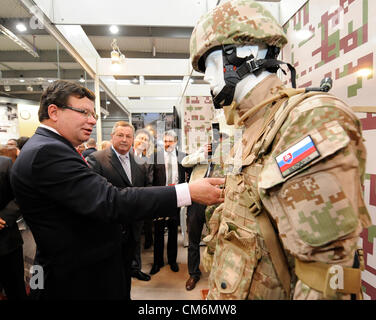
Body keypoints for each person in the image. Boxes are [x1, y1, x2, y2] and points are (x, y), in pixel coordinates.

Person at [190, 0, 371, 300]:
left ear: (246, 54)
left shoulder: (307, 121)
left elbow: (325, 280)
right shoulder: (254, 126)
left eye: (210, 64)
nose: (207, 77)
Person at [10, 80, 224, 300]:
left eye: (93, 114)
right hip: (75, 278)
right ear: (53, 111)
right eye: (83, 112)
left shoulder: (48, 148)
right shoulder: (48, 151)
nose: (92, 120)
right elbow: (110, 200)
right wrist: (187, 192)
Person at [87, 121, 152, 300]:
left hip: (133, 228)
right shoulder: (97, 159)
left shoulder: (139, 162)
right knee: (109, 278)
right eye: (120, 135)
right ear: (112, 136)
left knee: (125, 272)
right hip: (109, 230)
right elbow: (94, 195)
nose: (124, 139)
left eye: (128, 136)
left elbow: (145, 191)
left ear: (133, 139)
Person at [150, 130, 191, 275]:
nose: (168, 144)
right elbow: (151, 178)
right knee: (159, 230)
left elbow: (190, 174)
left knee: (174, 230)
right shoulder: (156, 157)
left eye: (170, 141)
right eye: (165, 141)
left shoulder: (183, 157)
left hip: (176, 196)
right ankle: (157, 262)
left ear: (176, 141)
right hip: (160, 196)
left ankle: (172, 261)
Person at [0, 149, 27, 300]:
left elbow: (21, 195)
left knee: (16, 289)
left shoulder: (4, 163)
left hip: (6, 241)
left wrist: (4, 217)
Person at [133, 128, 154, 249]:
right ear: (134, 140)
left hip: (141, 198)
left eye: (145, 140)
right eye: (141, 138)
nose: (143, 141)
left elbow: (149, 181)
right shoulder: (126, 155)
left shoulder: (148, 161)